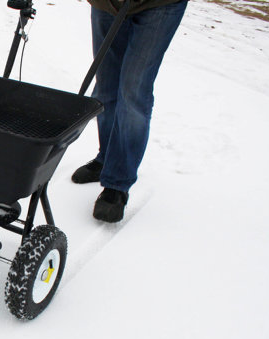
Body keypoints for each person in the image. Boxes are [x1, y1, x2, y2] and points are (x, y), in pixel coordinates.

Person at [72, 0, 188, 222]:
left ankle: (118, 182)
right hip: (106, 4)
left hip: (159, 5)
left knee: (133, 91)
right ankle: (107, 158)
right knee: (106, 87)